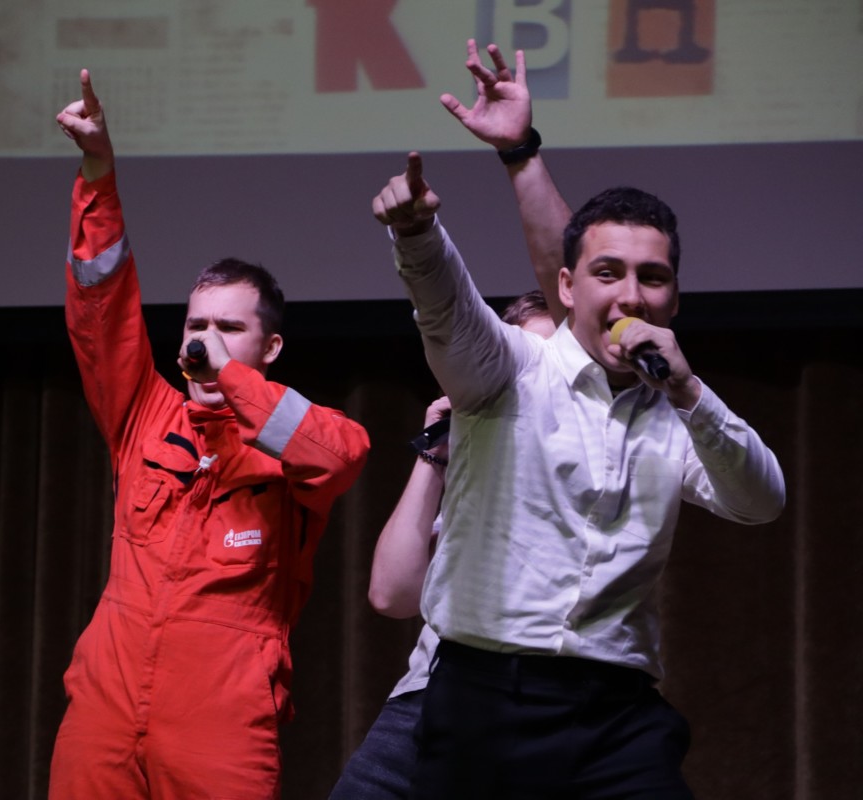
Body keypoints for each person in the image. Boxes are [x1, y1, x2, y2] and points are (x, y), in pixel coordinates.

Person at [372, 41, 785, 800]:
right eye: (607, 273)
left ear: (674, 298)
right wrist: (417, 236)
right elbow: (446, 310)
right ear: (566, 287)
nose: (630, 295)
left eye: (652, 277)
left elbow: (762, 501)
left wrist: (690, 391)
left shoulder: (678, 410)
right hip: (483, 697)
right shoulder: (511, 370)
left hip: (615, 712)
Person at [50, 70, 370, 800]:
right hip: (105, 706)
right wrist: (98, 173)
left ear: (271, 347)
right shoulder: (144, 413)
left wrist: (231, 378)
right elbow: (100, 306)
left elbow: (342, 455)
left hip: (221, 718)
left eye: (229, 327)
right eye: (196, 324)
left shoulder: (294, 437)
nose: (205, 339)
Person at [329, 292, 554, 800]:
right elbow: (392, 594)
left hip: (536, 704)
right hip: (429, 696)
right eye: (521, 366)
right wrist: (436, 451)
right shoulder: (474, 471)